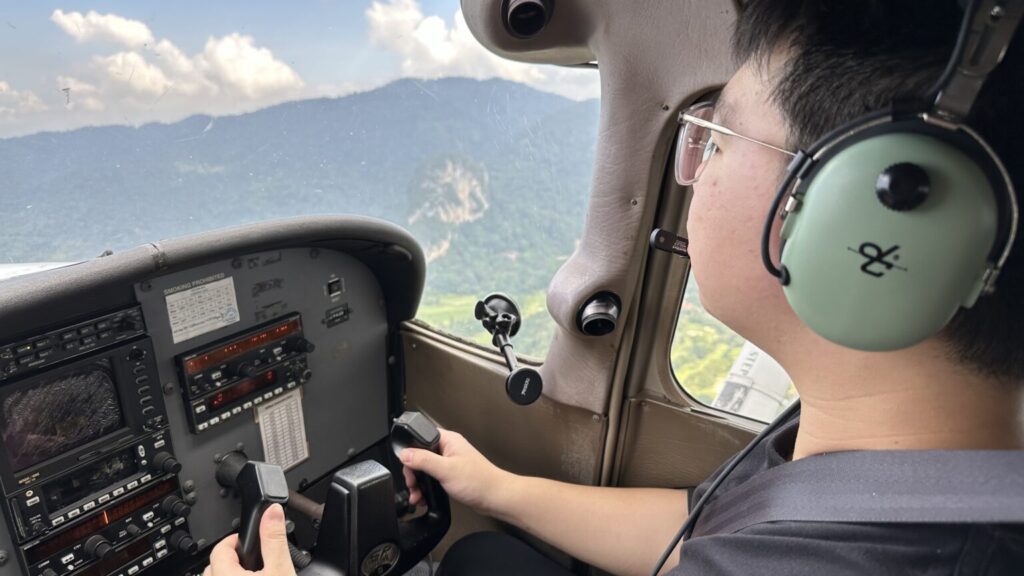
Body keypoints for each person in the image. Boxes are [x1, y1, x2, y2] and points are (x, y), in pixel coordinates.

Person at [207, 1, 1024, 574]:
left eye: (716, 132)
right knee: (489, 553)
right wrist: (498, 487)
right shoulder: (897, 465)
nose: (694, 168)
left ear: (871, 231)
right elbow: (701, 527)